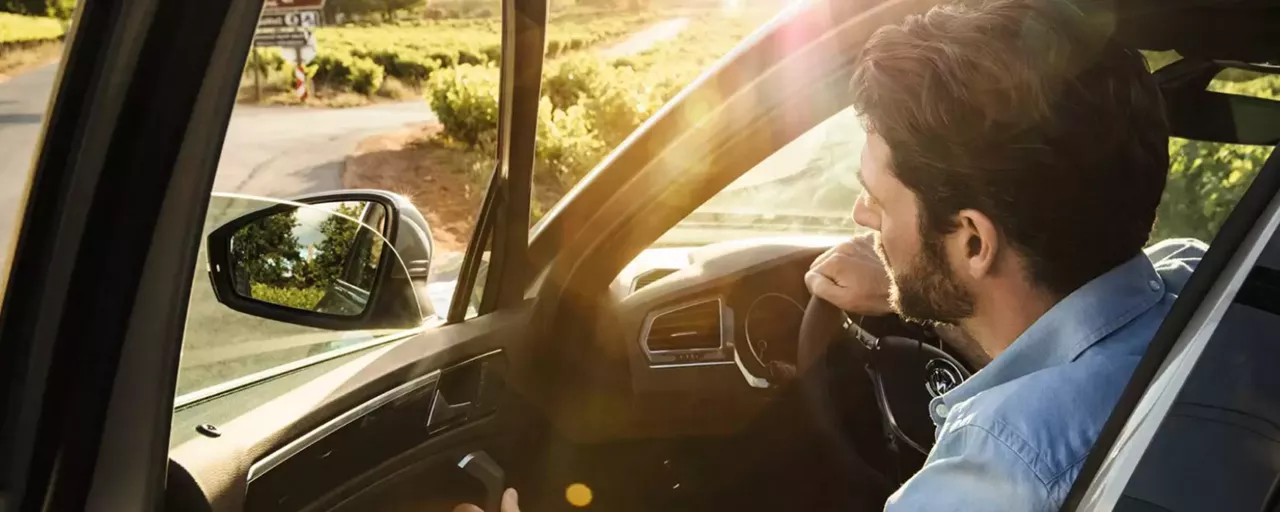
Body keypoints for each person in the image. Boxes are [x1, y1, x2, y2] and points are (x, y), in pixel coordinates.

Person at [457, 0, 1206, 510]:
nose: (861, 218)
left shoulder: (1008, 465)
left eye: (878, 200)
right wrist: (922, 303)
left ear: (974, 242)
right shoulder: (1200, 287)